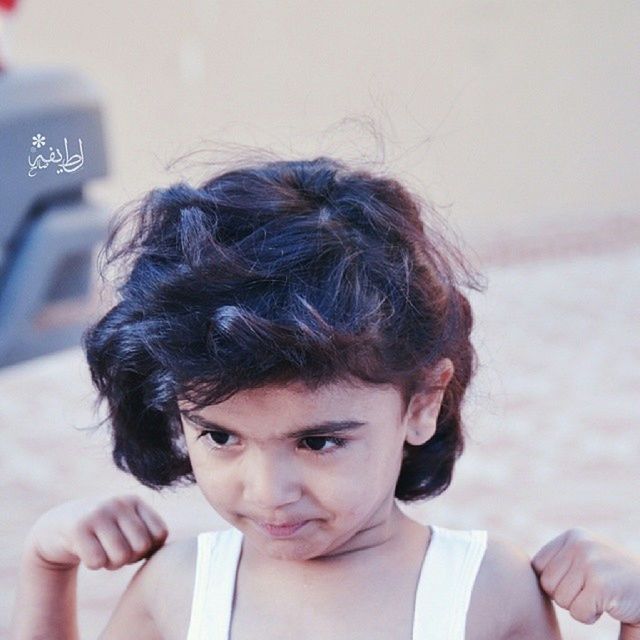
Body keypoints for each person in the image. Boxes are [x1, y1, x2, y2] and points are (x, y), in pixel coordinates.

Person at [9, 156, 636, 639]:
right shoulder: (182, 586)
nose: (267, 491)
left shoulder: (485, 589)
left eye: (318, 441)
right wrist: (48, 565)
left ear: (421, 403)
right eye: (220, 436)